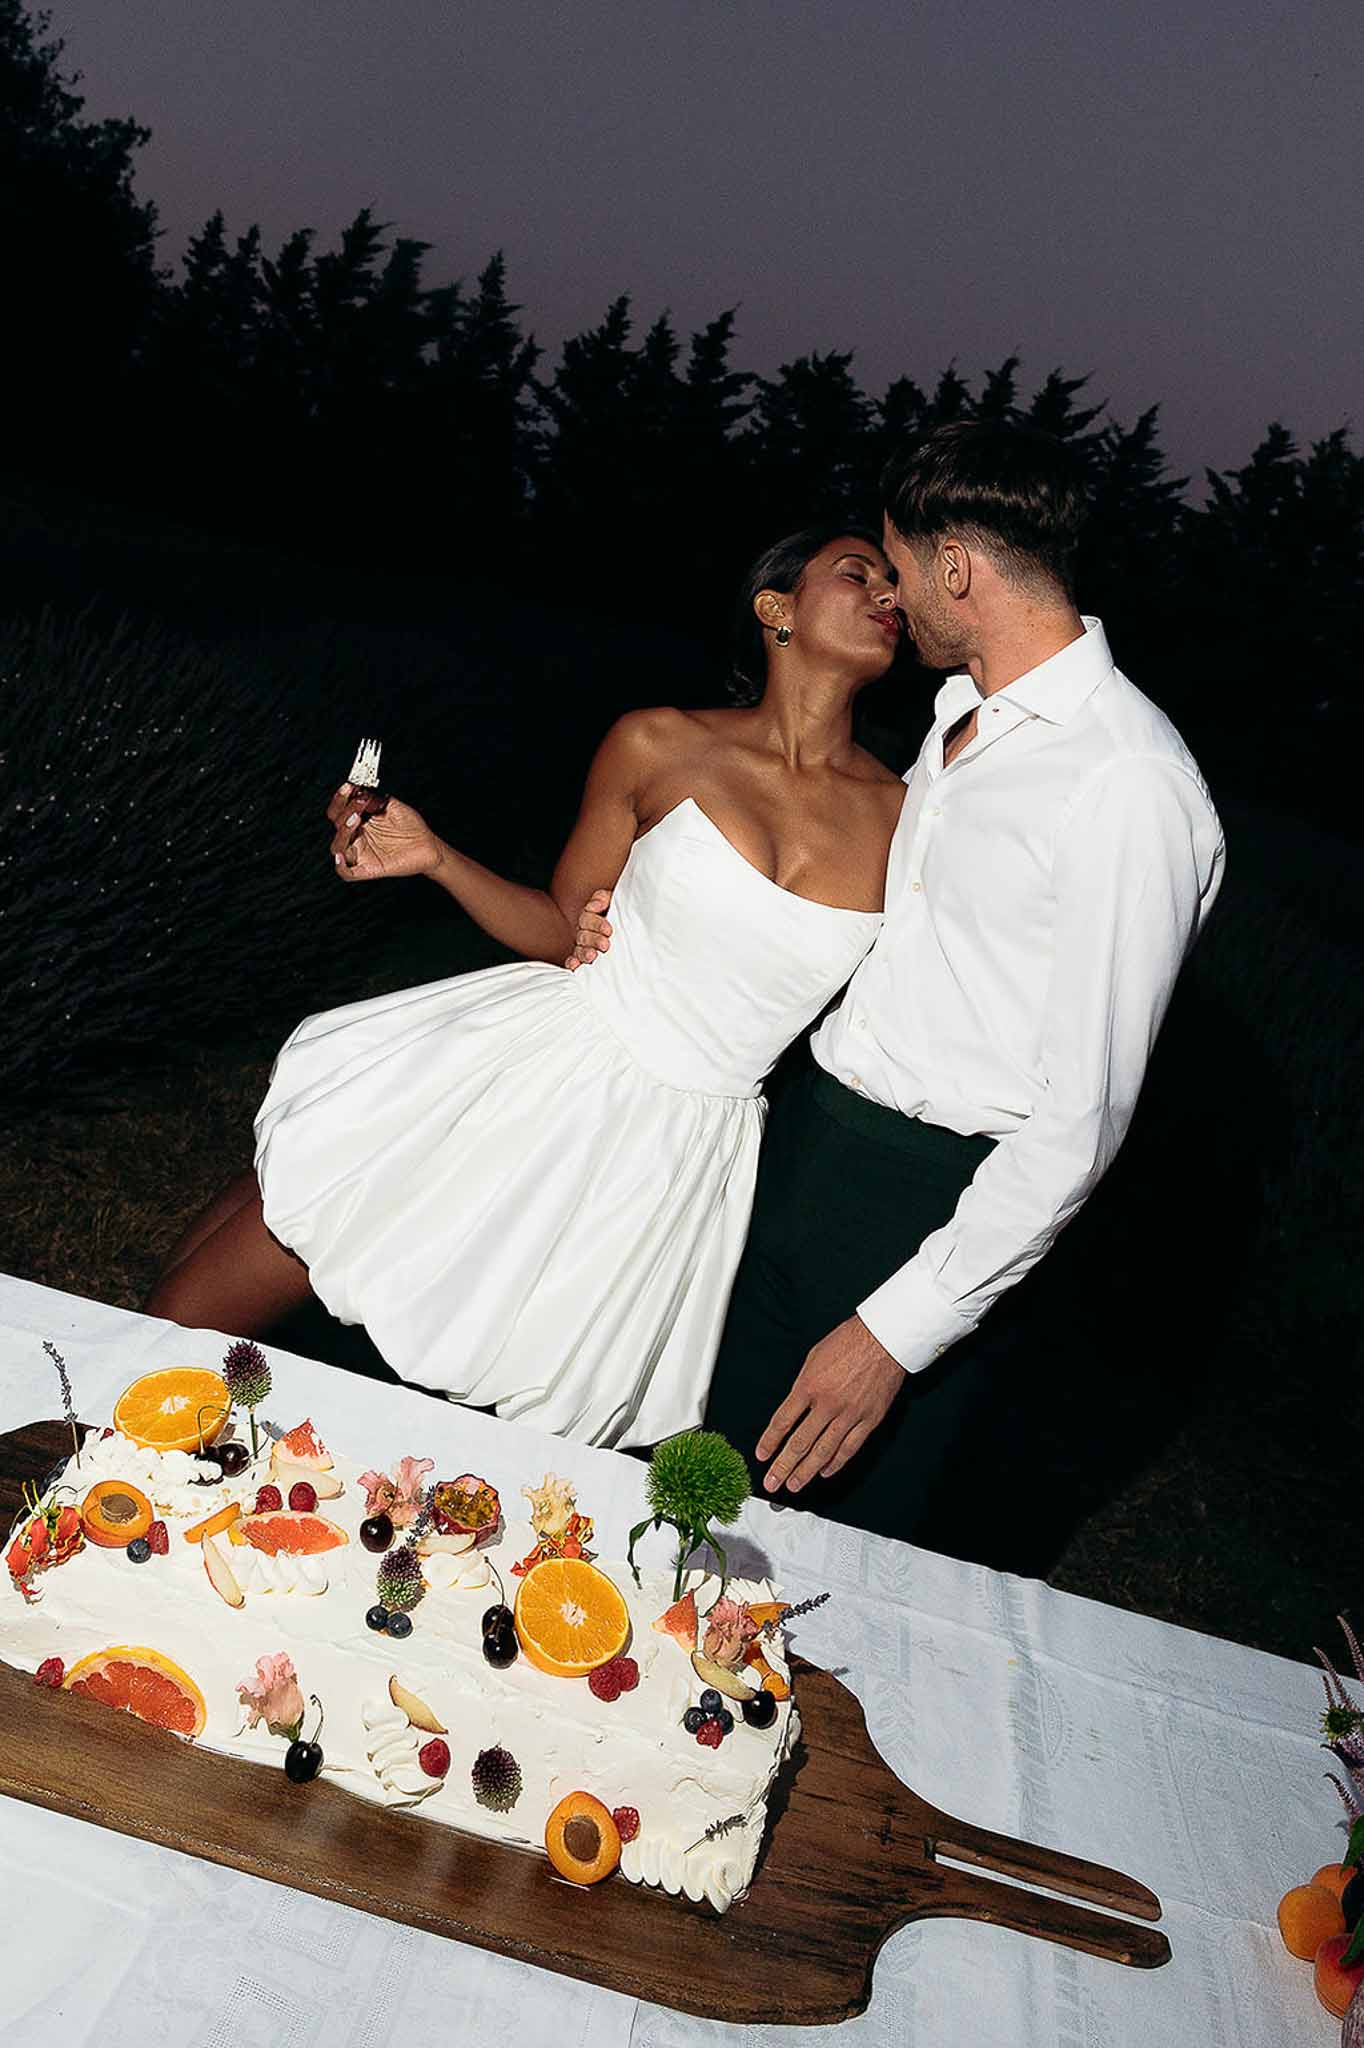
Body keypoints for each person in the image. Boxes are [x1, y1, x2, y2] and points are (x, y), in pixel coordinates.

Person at [569, 422, 1226, 1557]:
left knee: (802, 1564)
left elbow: (1078, 1124)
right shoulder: (950, 720)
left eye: (899, 565)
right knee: (661, 1474)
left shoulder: (1128, 782)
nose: (891, 594)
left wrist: (891, 1332)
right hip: (802, 1140)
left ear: (957, 568)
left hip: (921, 1206)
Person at [145, 524, 907, 1447]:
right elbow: (559, 926)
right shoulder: (660, 743)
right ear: (775, 610)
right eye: (857, 574)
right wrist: (435, 858)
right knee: (193, 1315)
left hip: (669, 1160)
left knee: (486, 1452)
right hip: (541, 1069)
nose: (887, 596)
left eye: (896, 586)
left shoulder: (909, 819)